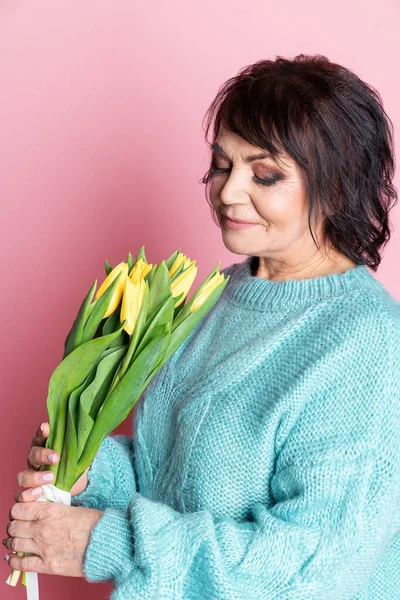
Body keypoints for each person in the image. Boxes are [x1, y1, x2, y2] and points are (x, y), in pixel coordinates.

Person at [5, 54, 400, 599]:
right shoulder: (221, 295)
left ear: (335, 188)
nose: (229, 192)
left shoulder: (370, 343)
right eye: (221, 164)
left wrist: (110, 543)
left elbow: (317, 571)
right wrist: (87, 470)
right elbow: (175, 475)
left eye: (265, 174)